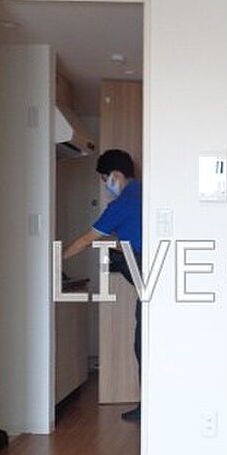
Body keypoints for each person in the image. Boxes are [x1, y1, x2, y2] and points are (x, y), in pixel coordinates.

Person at [63, 149, 142, 422]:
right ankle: (150, 405)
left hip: (149, 277)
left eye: (104, 179)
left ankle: (148, 407)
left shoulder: (123, 204)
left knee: (143, 344)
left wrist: (55, 260)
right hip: (154, 273)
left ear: (115, 175)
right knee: (145, 342)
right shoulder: (145, 192)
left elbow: (86, 240)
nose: (106, 185)